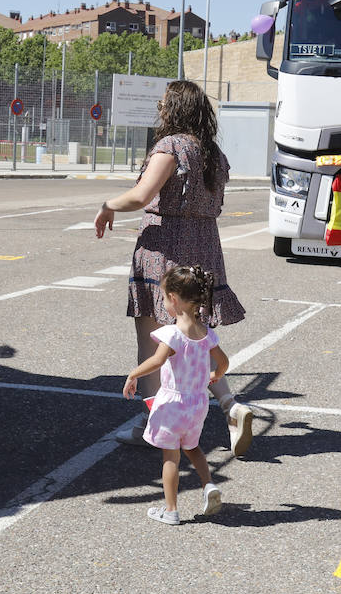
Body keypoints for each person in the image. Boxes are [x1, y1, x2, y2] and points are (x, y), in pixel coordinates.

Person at [94, 79, 254, 455]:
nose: (160, 109)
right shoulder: (212, 153)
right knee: (194, 336)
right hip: (204, 245)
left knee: (153, 338)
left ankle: (153, 422)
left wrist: (107, 205)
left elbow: (141, 195)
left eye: (165, 103)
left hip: (166, 246)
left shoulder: (170, 147)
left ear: (175, 109)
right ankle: (230, 406)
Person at [122, 265, 229, 524]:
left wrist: (133, 374)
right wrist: (215, 376)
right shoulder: (207, 334)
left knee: (171, 457)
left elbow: (157, 361)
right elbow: (223, 362)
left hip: (173, 404)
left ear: (174, 299)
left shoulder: (172, 334)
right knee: (192, 447)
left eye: (164, 298)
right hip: (198, 404)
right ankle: (208, 485)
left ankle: (170, 510)